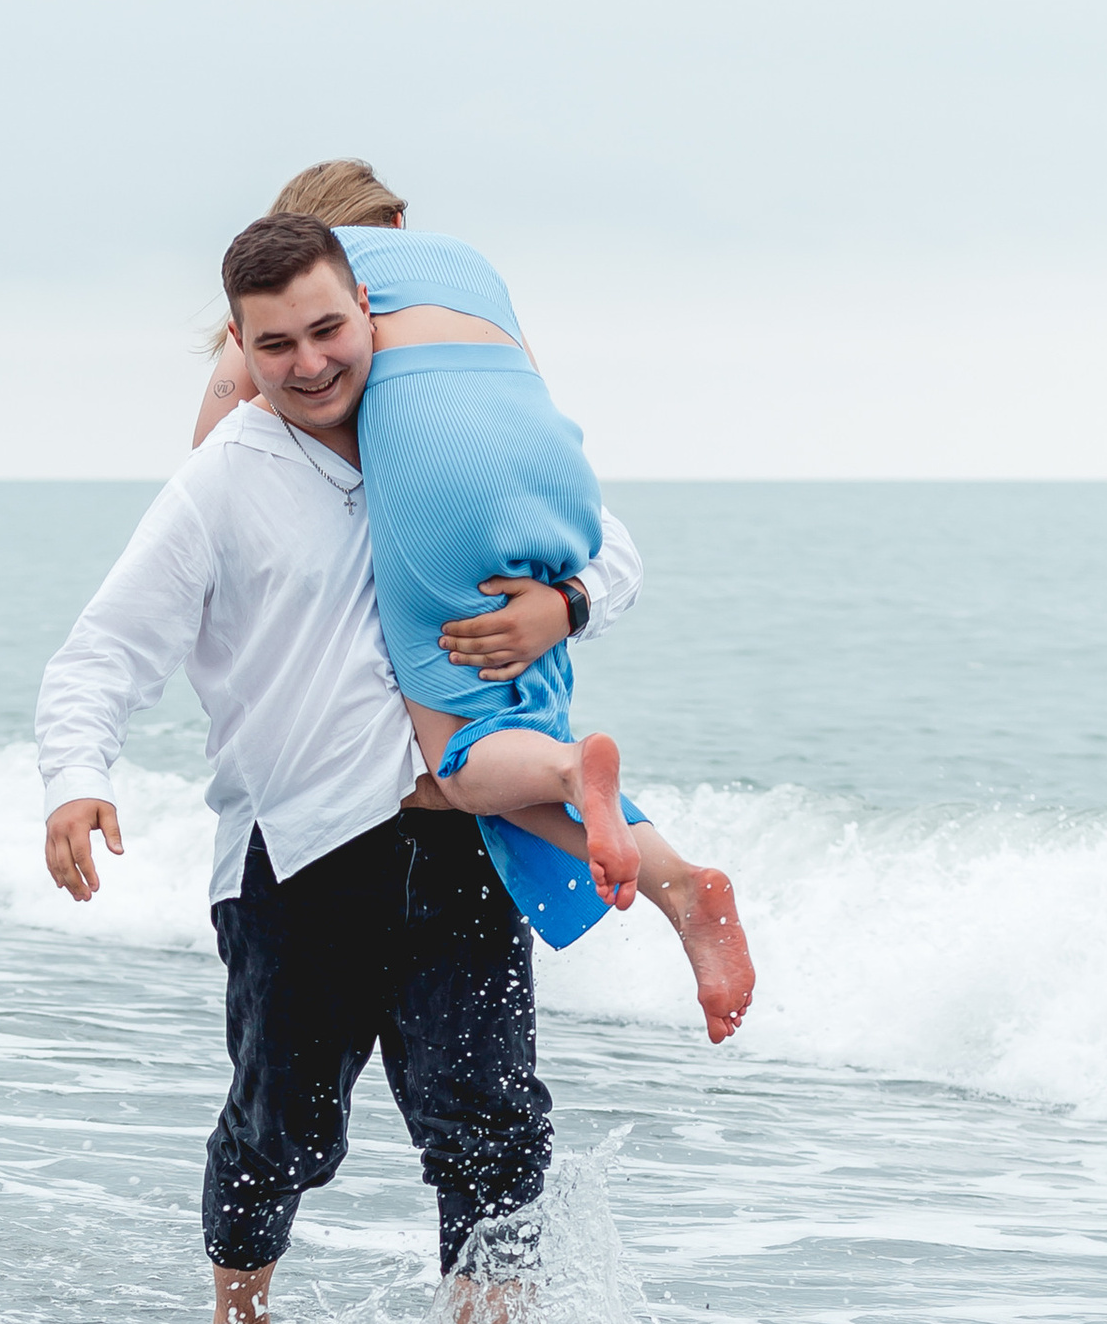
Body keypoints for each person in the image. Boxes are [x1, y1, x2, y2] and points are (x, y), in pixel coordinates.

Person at [37, 238, 648, 1324]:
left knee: (492, 1126)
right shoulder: (222, 478)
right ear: (240, 346)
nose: (310, 362)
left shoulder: (436, 437)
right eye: (276, 344)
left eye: (327, 330)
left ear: (366, 308)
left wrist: (568, 607)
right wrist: (77, 781)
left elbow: (612, 549)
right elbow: (104, 652)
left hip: (462, 835)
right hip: (298, 852)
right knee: (280, 1130)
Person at [208, 206, 753, 1040]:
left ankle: (582, 784)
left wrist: (563, 609)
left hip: (412, 796)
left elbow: (212, 458)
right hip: (547, 466)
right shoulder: (460, 267)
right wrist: (565, 598)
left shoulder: (291, 323)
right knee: (521, 713)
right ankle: (672, 880)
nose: (309, 358)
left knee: (463, 760)